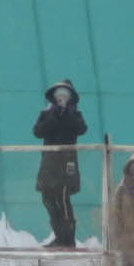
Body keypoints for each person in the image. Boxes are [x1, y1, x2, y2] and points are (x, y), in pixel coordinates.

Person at [33, 81, 87, 249]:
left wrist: (67, 112)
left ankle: (68, 239)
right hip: (49, 163)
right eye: (59, 95)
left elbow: (81, 129)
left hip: (66, 162)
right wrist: (54, 114)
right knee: (48, 198)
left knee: (62, 198)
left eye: (65, 95)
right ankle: (59, 236)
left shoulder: (75, 114)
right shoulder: (47, 113)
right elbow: (38, 131)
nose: (61, 98)